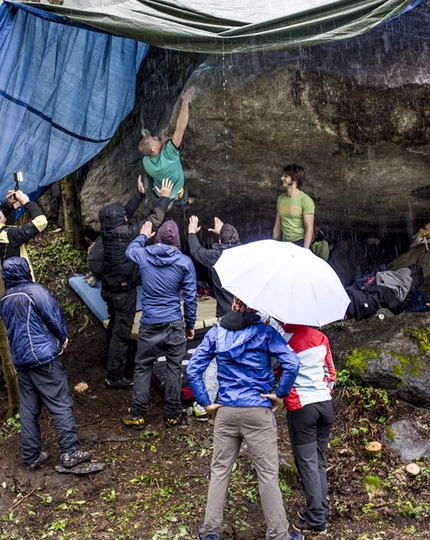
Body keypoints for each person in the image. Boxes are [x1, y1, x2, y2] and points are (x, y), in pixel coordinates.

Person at [186, 296, 302, 540]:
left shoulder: (215, 333)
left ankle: (209, 532)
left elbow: (193, 368)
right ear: (254, 308)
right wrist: (280, 394)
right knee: (267, 474)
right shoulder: (265, 332)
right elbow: (291, 363)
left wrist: (206, 402)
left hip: (226, 412)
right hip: (258, 411)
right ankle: (279, 535)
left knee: (219, 471)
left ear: (234, 305)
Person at [0, 257, 91, 471]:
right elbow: (53, 315)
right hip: (43, 358)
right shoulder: (34, 291)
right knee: (60, 403)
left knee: (29, 409)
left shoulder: (4, 298)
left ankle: (30, 457)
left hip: (21, 362)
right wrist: (62, 338)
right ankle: (70, 452)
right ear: (25, 270)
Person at [99, 177, 173, 389]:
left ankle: (107, 359)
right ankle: (114, 376)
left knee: (114, 325)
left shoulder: (108, 233)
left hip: (109, 289)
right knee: (122, 334)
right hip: (123, 292)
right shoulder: (129, 235)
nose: (125, 215)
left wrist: (139, 195)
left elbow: (125, 216)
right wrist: (164, 199)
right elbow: (154, 220)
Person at [123, 219, 197, 428]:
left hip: (150, 323)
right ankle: (173, 413)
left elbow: (130, 250)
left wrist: (142, 235)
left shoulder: (144, 254)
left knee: (143, 366)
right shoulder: (184, 262)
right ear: (177, 243)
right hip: (174, 322)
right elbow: (190, 297)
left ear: (156, 238)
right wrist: (189, 324)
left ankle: (137, 413)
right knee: (174, 367)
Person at [281, 323, 336, 535]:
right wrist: (325, 393)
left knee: (307, 463)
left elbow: (278, 370)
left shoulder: (285, 340)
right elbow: (331, 373)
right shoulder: (321, 336)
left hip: (303, 407)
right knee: (319, 460)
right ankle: (322, 508)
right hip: (325, 404)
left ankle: (316, 518)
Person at [138, 86, 195, 205]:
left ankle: (145, 136)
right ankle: (184, 203)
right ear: (153, 149)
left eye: (151, 136)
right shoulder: (170, 154)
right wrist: (185, 102)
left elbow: (154, 152)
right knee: (181, 198)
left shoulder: (146, 161)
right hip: (174, 192)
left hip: (159, 192)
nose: (155, 137)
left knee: (151, 178)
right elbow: (180, 129)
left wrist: (162, 142)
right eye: (153, 139)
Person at [188, 215, 240, 319]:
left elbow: (196, 250)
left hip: (226, 314)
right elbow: (231, 245)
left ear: (220, 241)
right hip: (244, 311)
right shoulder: (247, 254)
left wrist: (191, 232)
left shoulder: (216, 257)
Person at [0, 189, 48, 274]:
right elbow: (41, 222)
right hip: (22, 283)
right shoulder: (9, 235)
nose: (1, 210)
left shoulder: (4, 234)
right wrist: (26, 203)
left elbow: (5, 221)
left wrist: (8, 205)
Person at [272, 164, 315, 249]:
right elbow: (277, 223)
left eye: (285, 176)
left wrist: (305, 250)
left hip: (300, 242)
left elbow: (309, 228)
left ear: (294, 179)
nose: (282, 178)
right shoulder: (281, 198)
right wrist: (274, 244)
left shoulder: (306, 200)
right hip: (285, 243)